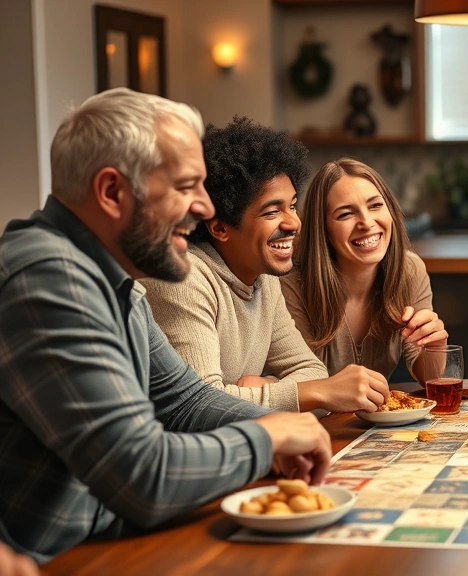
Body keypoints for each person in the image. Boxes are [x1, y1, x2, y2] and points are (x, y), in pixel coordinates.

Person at [0, 89, 330, 563]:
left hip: (110, 542)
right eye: (185, 186)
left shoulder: (113, 278)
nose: (205, 206)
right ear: (112, 192)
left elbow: (184, 401)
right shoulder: (49, 279)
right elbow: (144, 476)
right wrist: (269, 438)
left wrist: (280, 424)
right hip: (54, 560)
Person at [141, 119, 390, 414]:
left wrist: (263, 389)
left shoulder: (263, 277)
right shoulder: (183, 279)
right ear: (220, 228)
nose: (294, 223)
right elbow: (201, 406)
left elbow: (312, 372)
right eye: (273, 211)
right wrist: (305, 393)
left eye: (293, 206)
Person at [281, 158, 447, 382]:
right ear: (323, 230)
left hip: (374, 415)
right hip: (313, 417)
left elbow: (429, 378)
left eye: (375, 205)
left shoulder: (410, 270)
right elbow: (303, 387)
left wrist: (434, 345)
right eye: (346, 214)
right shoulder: (291, 286)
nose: (367, 222)